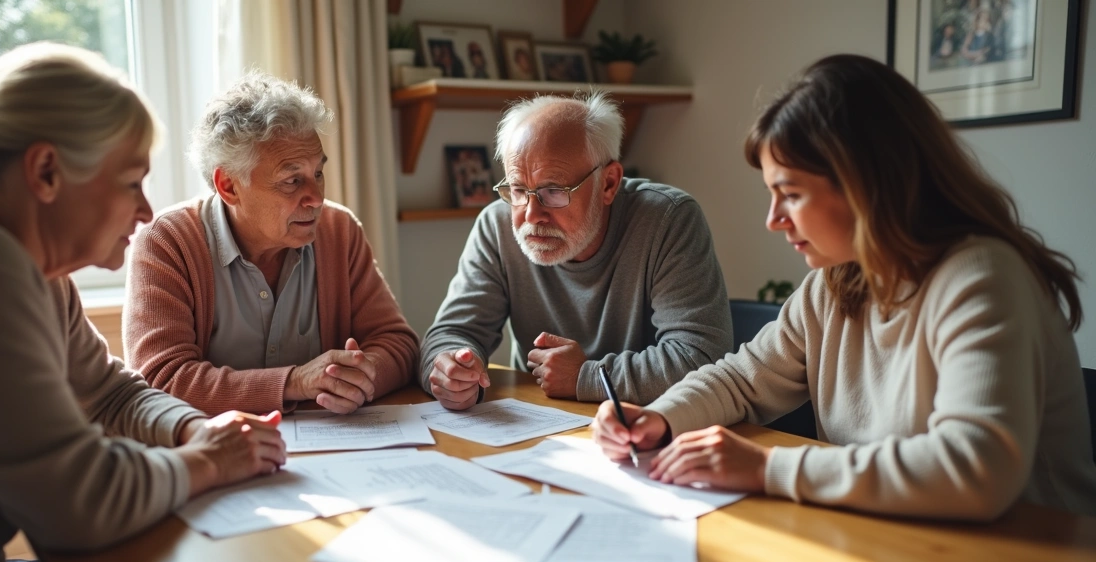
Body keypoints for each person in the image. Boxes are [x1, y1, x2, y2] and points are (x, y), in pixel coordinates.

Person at [0, 43, 287, 562]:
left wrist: (191, 428)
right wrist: (209, 461)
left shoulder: (21, 261)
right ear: (46, 172)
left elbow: (112, 395)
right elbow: (82, 504)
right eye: (131, 182)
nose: (146, 212)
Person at [591, 54, 1096, 521]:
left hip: (1034, 561)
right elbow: (743, 380)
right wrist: (658, 418)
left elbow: (975, 466)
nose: (773, 220)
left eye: (789, 194)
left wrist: (769, 469)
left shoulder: (983, 278)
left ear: (867, 184)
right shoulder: (835, 283)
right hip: (900, 537)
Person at [124, 72, 418, 417]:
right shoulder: (168, 241)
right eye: (292, 180)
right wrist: (295, 382)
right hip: (222, 454)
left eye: (318, 174)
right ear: (229, 186)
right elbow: (162, 379)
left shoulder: (339, 230)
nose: (316, 198)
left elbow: (399, 344)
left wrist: (356, 377)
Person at [421, 91, 733, 410]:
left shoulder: (667, 219)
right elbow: (451, 332)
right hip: (541, 424)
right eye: (517, 189)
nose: (530, 215)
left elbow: (702, 357)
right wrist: (449, 368)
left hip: (649, 428)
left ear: (609, 184)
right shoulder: (497, 225)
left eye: (554, 191)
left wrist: (588, 377)